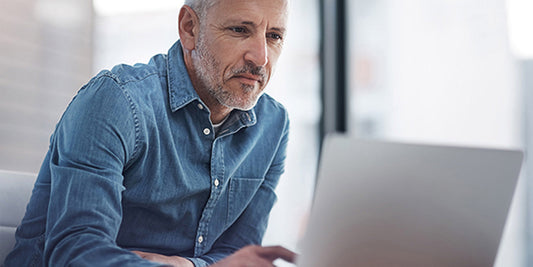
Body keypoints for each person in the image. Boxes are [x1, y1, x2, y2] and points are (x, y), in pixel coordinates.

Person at [4, 0, 296, 266]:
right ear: (189, 28)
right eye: (239, 29)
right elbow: (76, 254)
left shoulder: (272, 125)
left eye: (274, 36)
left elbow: (238, 253)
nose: (261, 58)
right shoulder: (116, 100)